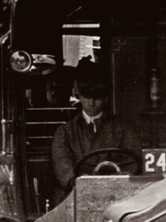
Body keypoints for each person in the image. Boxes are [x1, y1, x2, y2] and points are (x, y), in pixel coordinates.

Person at [48, 66, 143, 197]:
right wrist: (77, 182)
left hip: (115, 192)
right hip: (77, 193)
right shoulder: (65, 132)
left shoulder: (123, 129)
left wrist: (119, 179)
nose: (91, 103)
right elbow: (62, 164)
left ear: (105, 99)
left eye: (97, 98)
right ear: (79, 97)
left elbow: (132, 162)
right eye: (87, 97)